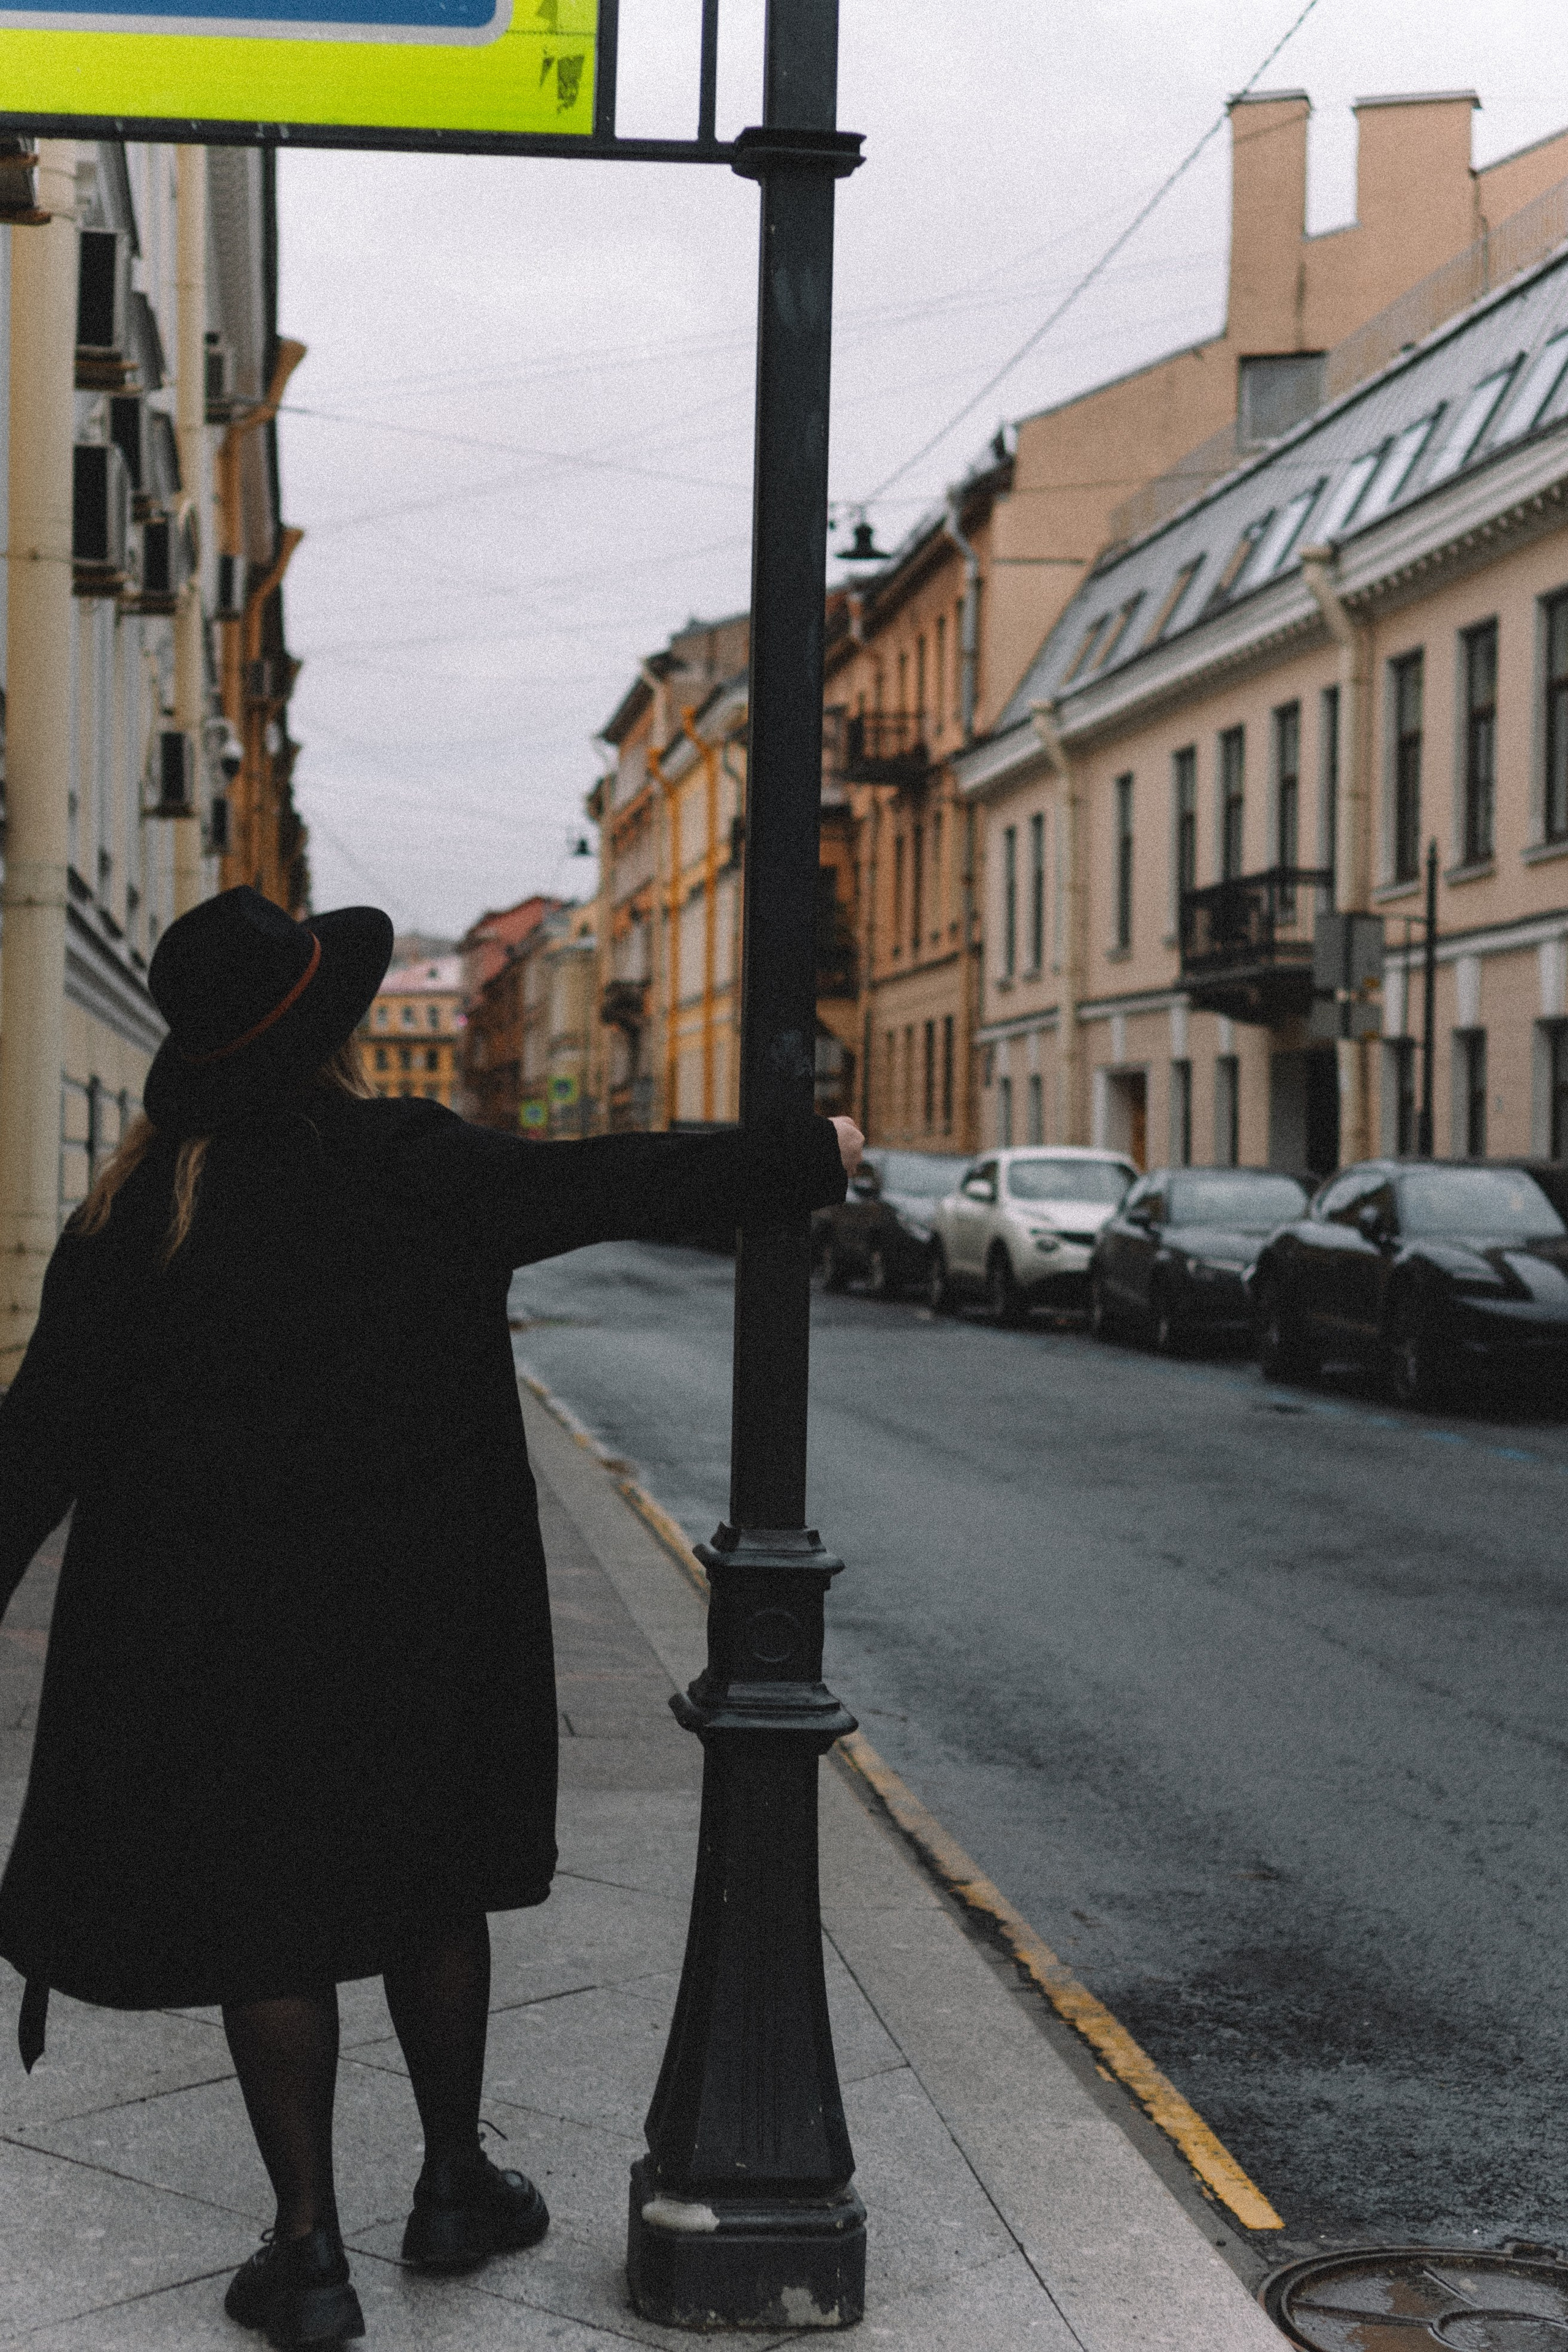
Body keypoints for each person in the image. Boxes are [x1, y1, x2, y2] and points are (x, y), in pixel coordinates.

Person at [0, 888, 861, 2349]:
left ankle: (308, 2251)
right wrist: (805, 1152)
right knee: (424, 1878)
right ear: (335, 1032)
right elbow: (614, 1182)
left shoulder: (129, 1211)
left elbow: (30, 1455)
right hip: (418, 1620)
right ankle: (455, 2184)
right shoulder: (411, 1163)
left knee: (263, 1921)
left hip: (211, 1643)